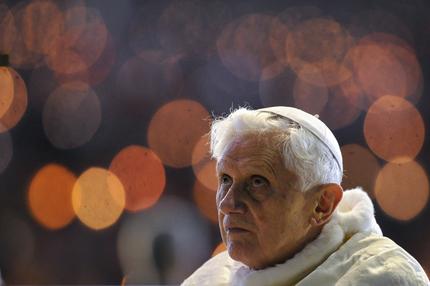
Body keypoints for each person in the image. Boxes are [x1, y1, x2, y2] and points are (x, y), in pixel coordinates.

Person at [182, 106, 429, 286]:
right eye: (226, 179)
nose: (228, 204)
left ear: (322, 204)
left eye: (257, 182)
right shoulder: (210, 278)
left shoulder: (385, 276)